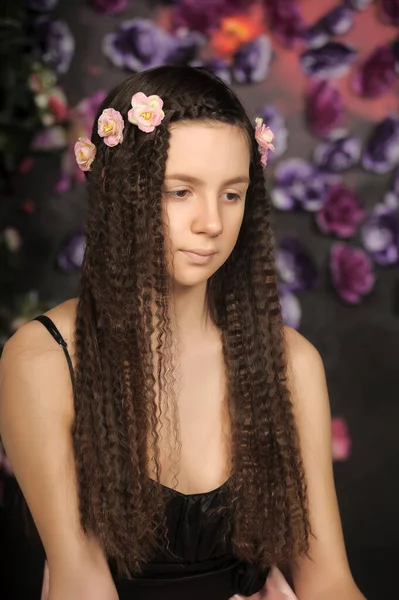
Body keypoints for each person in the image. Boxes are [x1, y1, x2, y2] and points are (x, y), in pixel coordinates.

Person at [0, 66, 365, 600]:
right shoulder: (44, 361)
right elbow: (82, 585)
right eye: (180, 191)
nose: (211, 223)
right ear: (115, 187)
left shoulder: (290, 362)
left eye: (232, 195)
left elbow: (328, 581)